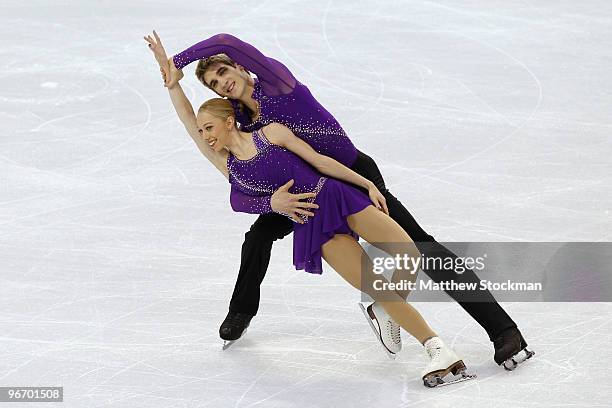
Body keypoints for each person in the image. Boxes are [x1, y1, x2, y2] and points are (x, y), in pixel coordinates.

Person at [145, 31, 532, 370]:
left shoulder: (279, 85)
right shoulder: (242, 124)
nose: (221, 84)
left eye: (223, 73)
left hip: (352, 176)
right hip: (303, 194)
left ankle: (503, 331)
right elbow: (202, 130)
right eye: (213, 83)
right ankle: (241, 312)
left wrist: (175, 62)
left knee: (422, 247)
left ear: (241, 69)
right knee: (257, 238)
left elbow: (226, 41)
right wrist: (273, 203)